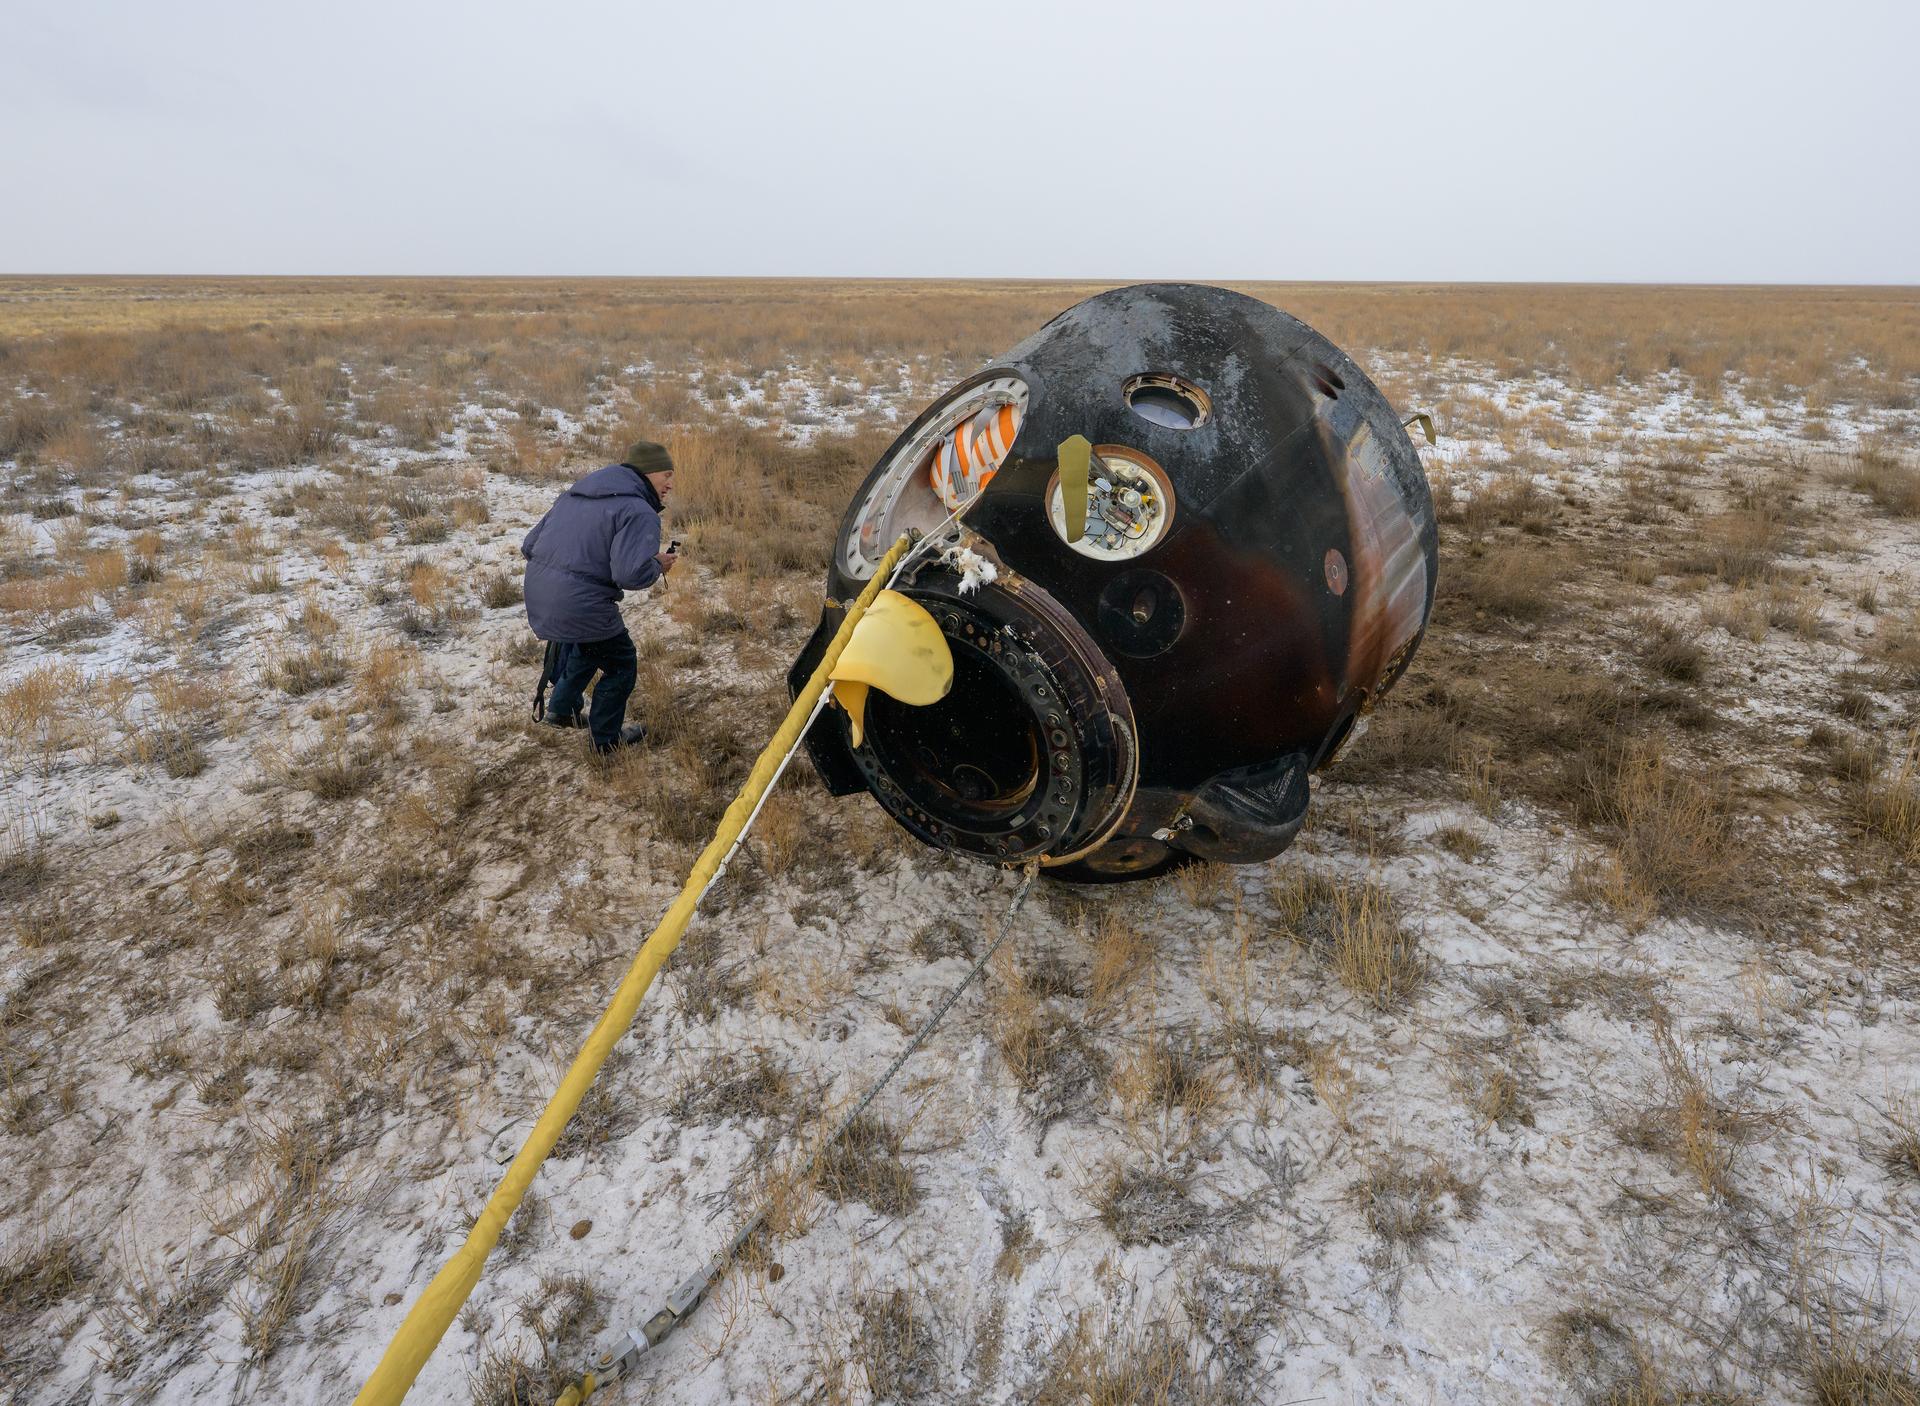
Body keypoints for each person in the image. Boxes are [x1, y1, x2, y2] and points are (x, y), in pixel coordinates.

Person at [522, 439, 680, 752]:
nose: (670, 484)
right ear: (648, 473)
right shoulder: (640, 511)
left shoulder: (574, 495)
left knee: (592, 644)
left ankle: (561, 709)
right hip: (579, 603)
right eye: (666, 475)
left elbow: (529, 545)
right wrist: (656, 564)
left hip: (539, 592)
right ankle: (606, 742)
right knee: (620, 662)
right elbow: (629, 574)